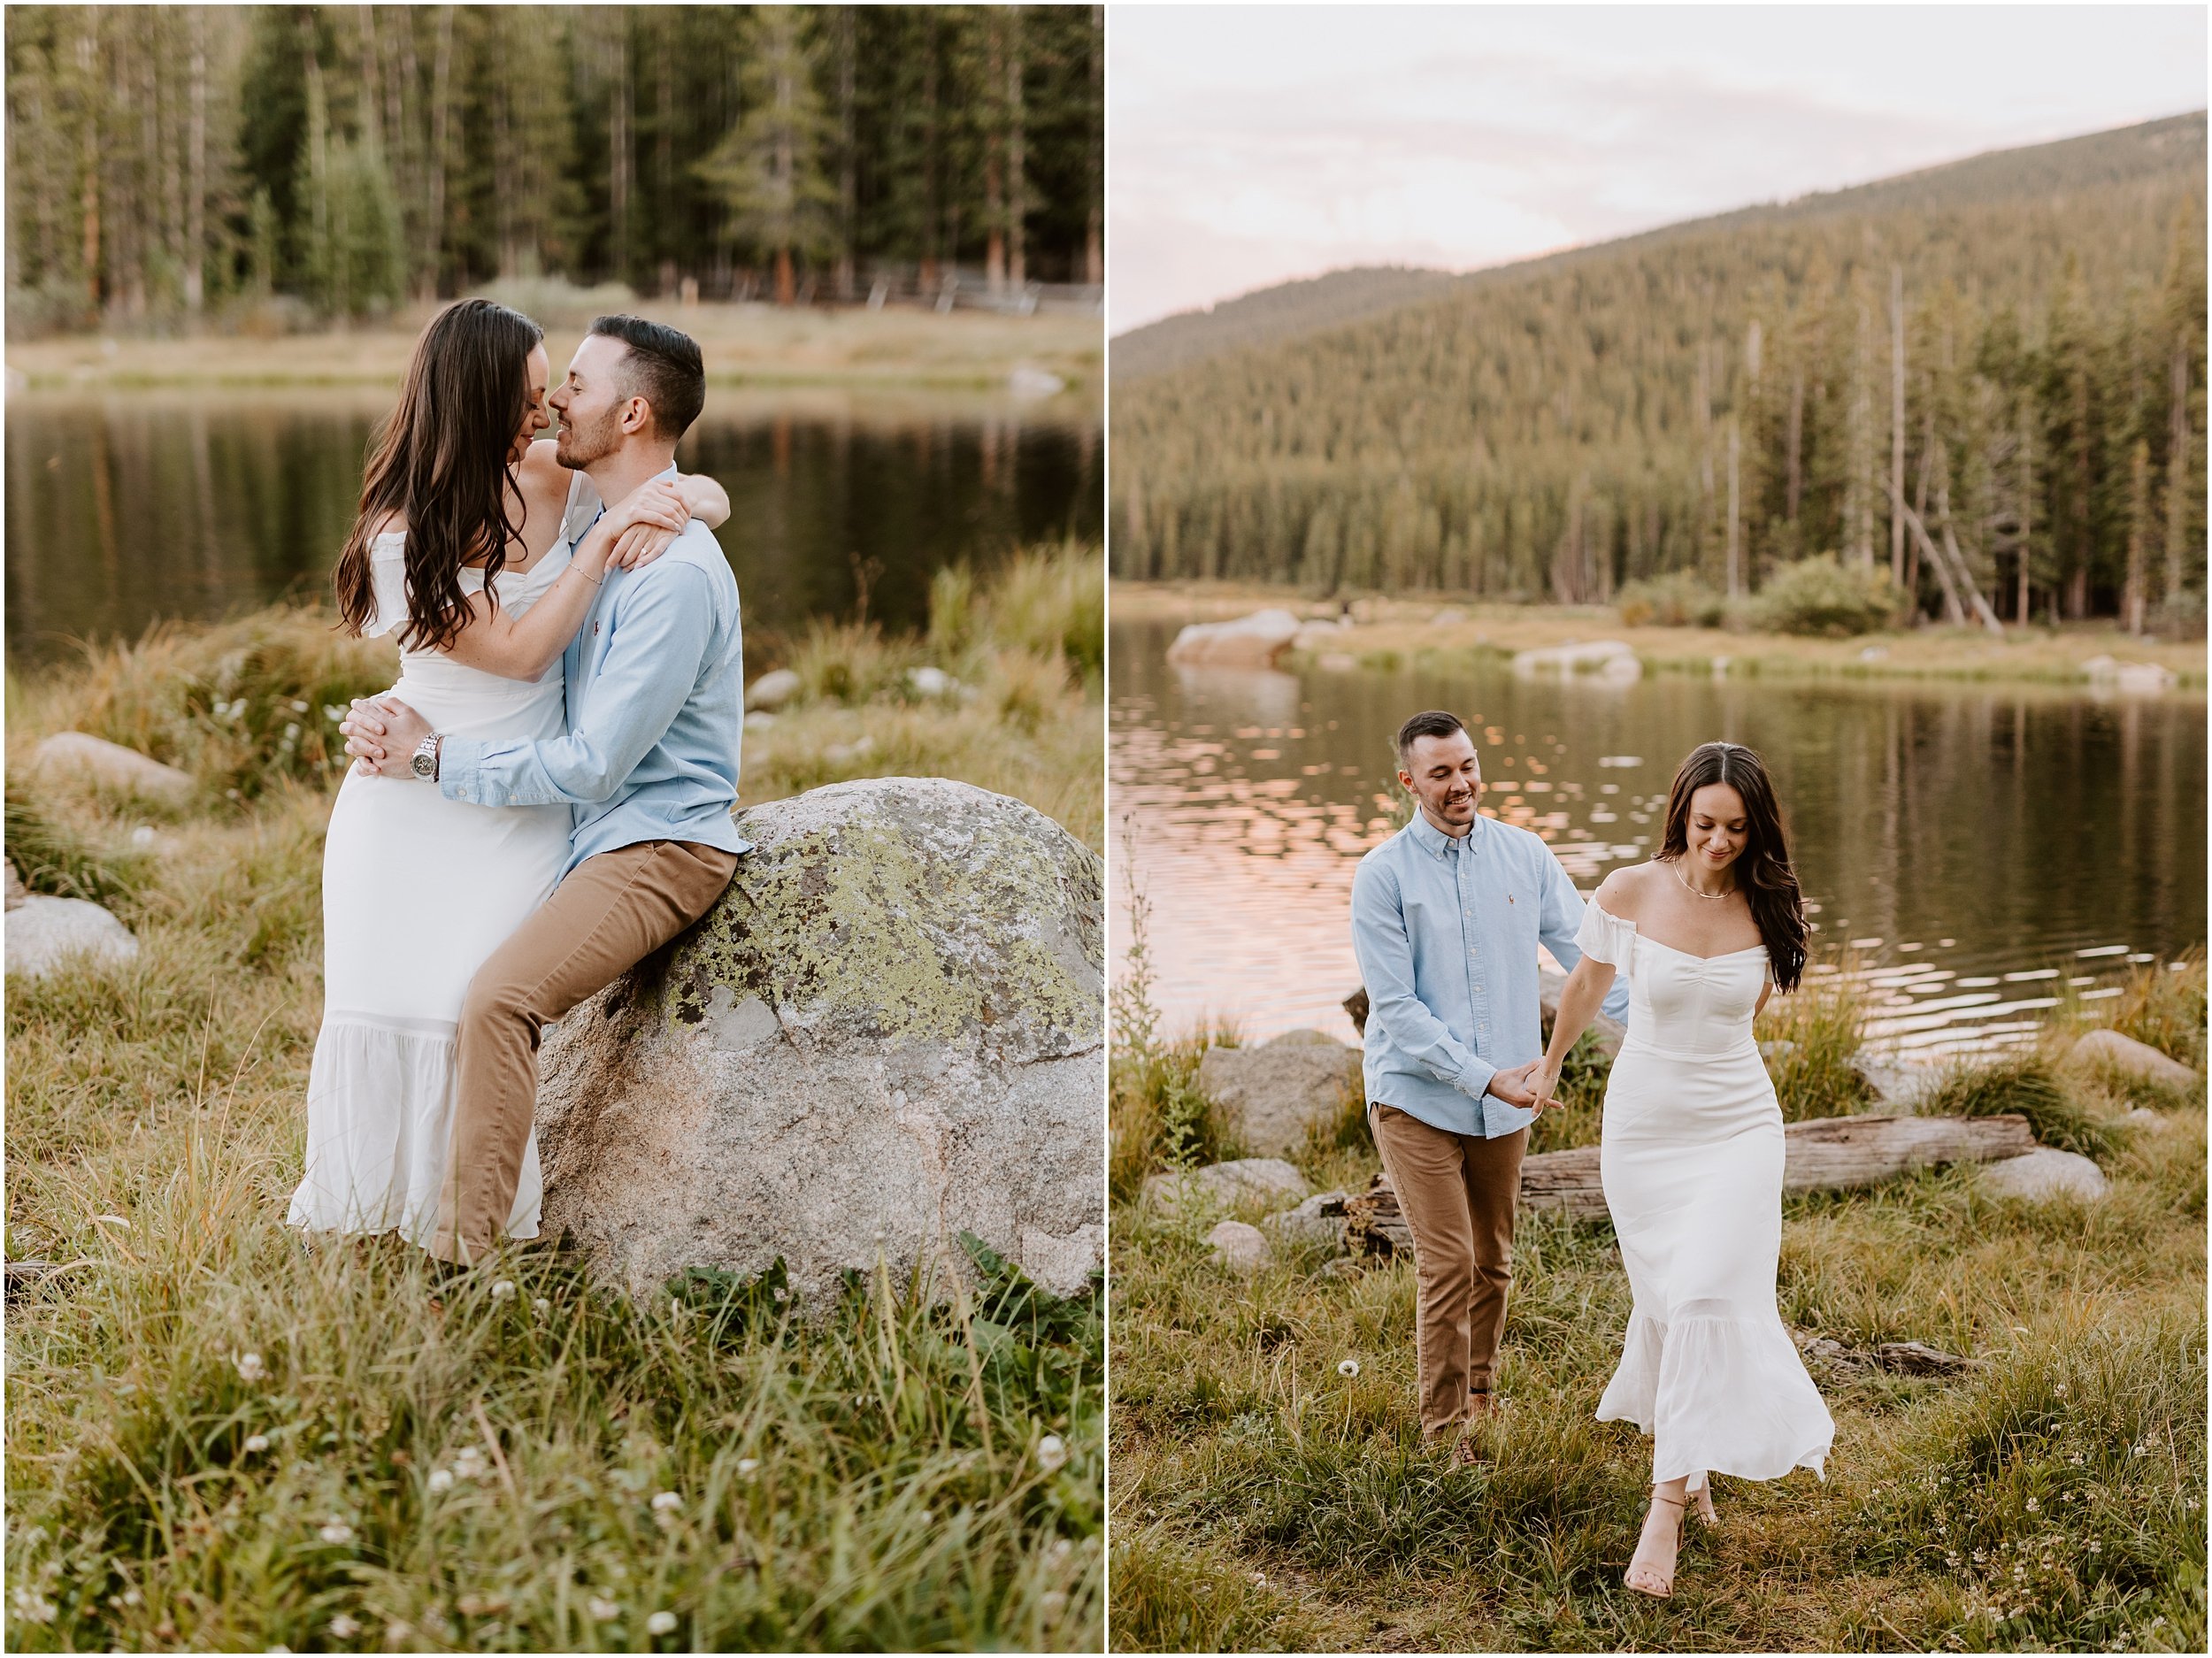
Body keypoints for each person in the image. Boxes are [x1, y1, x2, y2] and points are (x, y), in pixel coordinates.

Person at [288, 300, 726, 1253]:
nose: (543, 414)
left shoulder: (550, 475)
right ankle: (374, 1226)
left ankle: (466, 1240)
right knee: (382, 1007)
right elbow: (524, 651)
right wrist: (609, 543)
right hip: (410, 796)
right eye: (529, 397)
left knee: (468, 1008)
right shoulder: (399, 540)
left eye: (552, 394)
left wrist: (691, 502)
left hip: (522, 803)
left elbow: (665, 477)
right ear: (478, 398)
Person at [1531, 740, 1834, 1599]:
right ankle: (1692, 1463)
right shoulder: (1630, 889)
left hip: (1738, 1121)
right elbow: (1588, 985)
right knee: (1667, 1300)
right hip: (1643, 1125)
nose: (1718, 842)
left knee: (1707, 1293)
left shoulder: (1772, 906)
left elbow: (1746, 1016)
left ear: (1756, 826)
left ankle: (1661, 1508)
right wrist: (1551, 1064)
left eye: (1736, 827)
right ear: (1680, 814)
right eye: (1705, 823)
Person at [1349, 710, 1631, 1462]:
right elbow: (1398, 1012)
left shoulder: (1525, 856)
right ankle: (1443, 1442)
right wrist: (1485, 1079)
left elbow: (1589, 960)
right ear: (1408, 781)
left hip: (1510, 1097)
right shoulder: (1382, 876)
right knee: (1447, 1262)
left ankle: (1480, 1399)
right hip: (1416, 1095)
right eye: (1440, 773)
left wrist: (1672, 1019)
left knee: (1493, 1260)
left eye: (1467, 766)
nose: (1460, 784)